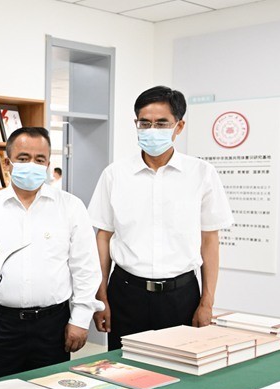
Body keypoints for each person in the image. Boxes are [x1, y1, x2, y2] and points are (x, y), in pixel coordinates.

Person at [88, 86, 233, 350]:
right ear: (136, 124)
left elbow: (210, 241)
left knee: (180, 368)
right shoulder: (115, 175)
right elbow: (103, 238)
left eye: (161, 123)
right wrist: (101, 298)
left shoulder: (202, 174)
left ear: (179, 126)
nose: (152, 130)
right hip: (126, 293)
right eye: (145, 123)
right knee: (124, 369)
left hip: (182, 296)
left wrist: (207, 301)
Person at [0, 128, 102, 379]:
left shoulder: (70, 207)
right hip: (0, 324)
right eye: (23, 158)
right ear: (7, 163)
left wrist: (80, 319)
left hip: (53, 325)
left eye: (39, 159)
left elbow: (85, 268)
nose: (32, 164)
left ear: (48, 165)